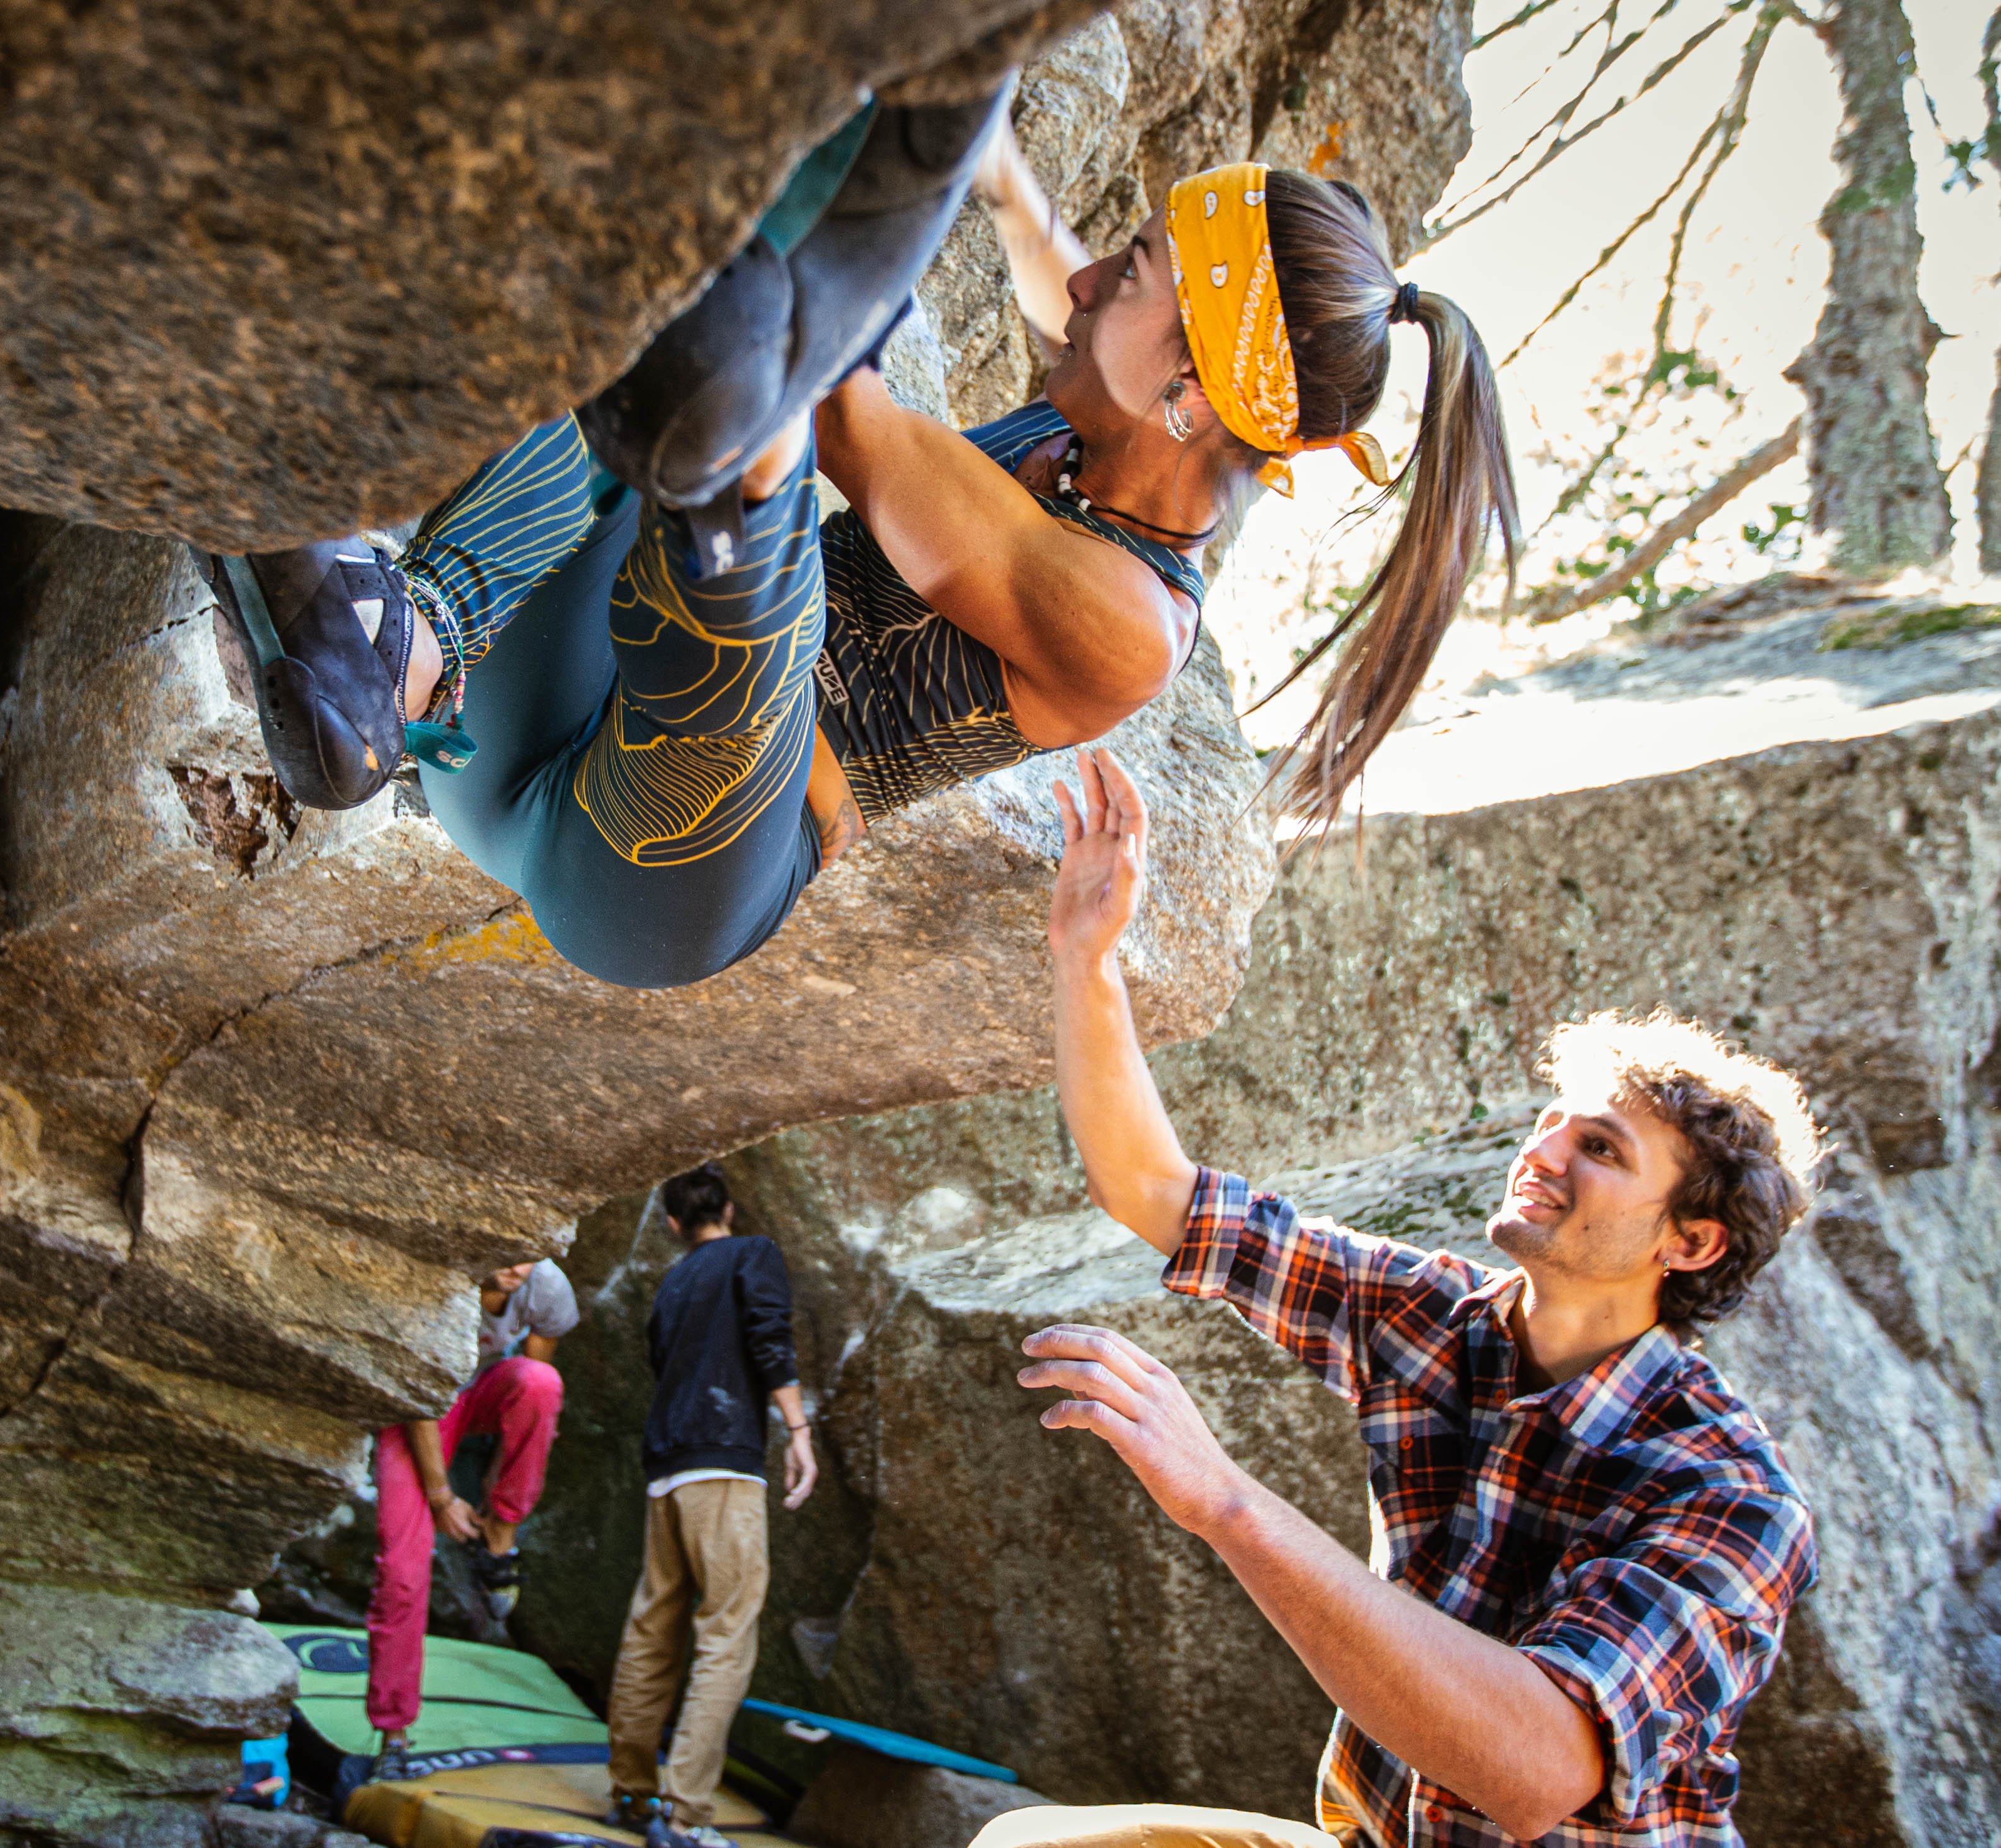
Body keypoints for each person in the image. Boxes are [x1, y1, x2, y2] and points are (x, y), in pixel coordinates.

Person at [201, 95, 1518, 991]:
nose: (1098, 275)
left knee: (755, 386)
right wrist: (981, 149)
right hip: (532, 731)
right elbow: (1039, 250)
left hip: (670, 865)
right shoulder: (1115, 418)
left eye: (1139, 264)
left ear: (1190, 398)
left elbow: (843, 407)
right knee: (666, 360)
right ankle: (397, 647)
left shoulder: (1125, 624)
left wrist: (872, 158)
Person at [988, 749, 1820, 1848]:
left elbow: (1533, 1769)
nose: (1546, 1147)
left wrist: (1226, 1501)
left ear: (1690, 1238)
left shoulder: (1730, 1495)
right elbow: (1155, 1191)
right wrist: (1085, 959)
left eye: (1602, 1147)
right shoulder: (1435, 1316)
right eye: (1556, 1119)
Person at [603, 1163, 818, 1848]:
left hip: (665, 1467)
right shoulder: (753, 1253)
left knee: (651, 1627)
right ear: (728, 1207)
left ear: (672, 1224)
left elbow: (662, 1361)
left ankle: (631, 1791)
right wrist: (799, 1431)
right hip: (722, 1461)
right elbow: (767, 1335)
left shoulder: (671, 1282)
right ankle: (685, 1815)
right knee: (726, 1632)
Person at [363, 1257, 578, 1775]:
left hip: (480, 1394)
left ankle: (502, 1540)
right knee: (402, 1573)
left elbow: (533, 1396)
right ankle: (394, 1737)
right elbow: (418, 1398)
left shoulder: (546, 1287)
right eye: (506, 1252)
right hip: (416, 1405)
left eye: (530, 1251)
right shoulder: (439, 1278)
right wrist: (440, 1496)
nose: (517, 1266)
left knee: (543, 1382)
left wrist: (496, 1489)